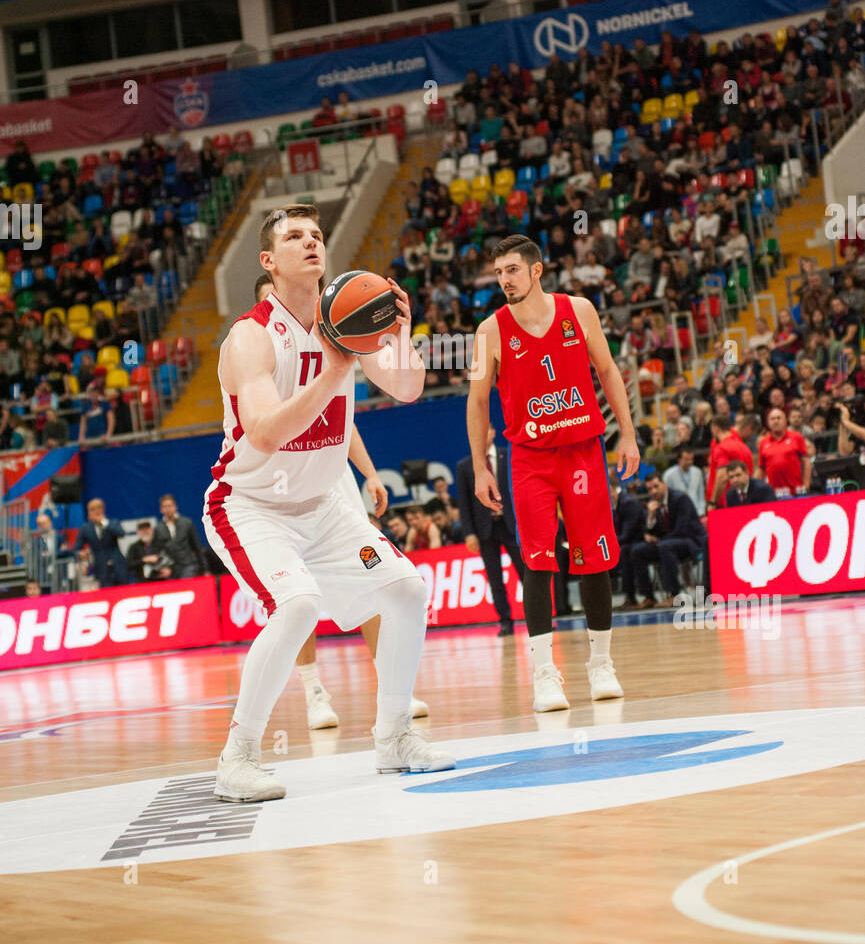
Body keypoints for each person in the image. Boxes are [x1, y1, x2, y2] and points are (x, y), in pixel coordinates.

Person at [202, 204, 452, 803]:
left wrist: (398, 335)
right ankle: (237, 757)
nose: (311, 242)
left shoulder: (345, 319)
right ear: (268, 260)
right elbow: (263, 432)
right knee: (297, 607)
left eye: (317, 235)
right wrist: (332, 371)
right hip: (250, 505)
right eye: (294, 236)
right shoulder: (251, 335)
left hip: (324, 507)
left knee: (407, 590)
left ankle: (393, 740)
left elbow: (409, 386)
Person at [467, 234, 640, 711]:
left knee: (595, 558)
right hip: (529, 459)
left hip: (583, 451)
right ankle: (545, 673)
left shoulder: (580, 310)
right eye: (499, 272)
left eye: (512, 270)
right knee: (538, 562)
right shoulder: (489, 331)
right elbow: (477, 400)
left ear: (536, 270)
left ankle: (600, 663)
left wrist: (626, 434)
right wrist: (481, 466)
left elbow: (607, 371)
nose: (504, 280)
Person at [251, 272, 428, 730]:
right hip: (280, 494)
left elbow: (346, 421)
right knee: (298, 599)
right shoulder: (256, 348)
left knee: (380, 583)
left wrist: (369, 474)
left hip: (333, 489)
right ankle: (312, 689)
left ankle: (390, 693)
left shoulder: (335, 335)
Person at [456, 424, 524, 636]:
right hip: (485, 528)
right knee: (495, 578)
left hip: (510, 523)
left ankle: (539, 618)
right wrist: (469, 532)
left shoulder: (507, 456)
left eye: (485, 430)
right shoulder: (466, 466)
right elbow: (464, 503)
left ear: (493, 433)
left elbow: (520, 489)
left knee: (526, 572)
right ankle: (505, 621)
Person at [630, 474, 705, 609]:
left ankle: (674, 595)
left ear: (664, 484)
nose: (653, 491)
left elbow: (682, 529)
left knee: (665, 546)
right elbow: (650, 532)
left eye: (656, 486)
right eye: (650, 489)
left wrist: (659, 540)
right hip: (668, 545)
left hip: (690, 541)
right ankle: (648, 597)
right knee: (637, 550)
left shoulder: (680, 498)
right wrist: (651, 516)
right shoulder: (654, 504)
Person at [71, 498, 128, 588]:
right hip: (101, 568)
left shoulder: (112, 523)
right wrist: (80, 554)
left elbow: (121, 533)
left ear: (102, 509)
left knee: (124, 591)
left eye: (96, 508)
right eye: (90, 509)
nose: (93, 512)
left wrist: (103, 522)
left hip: (118, 565)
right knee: (106, 594)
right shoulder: (85, 528)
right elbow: (76, 549)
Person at [610, 478, 646, 611]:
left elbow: (628, 533)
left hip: (639, 539)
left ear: (615, 490)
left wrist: (610, 543)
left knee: (624, 552)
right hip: (626, 542)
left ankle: (632, 596)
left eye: (609, 491)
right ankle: (627, 596)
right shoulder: (614, 504)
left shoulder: (628, 503)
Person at [758, 407, 812, 494]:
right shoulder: (763, 442)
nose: (776, 421)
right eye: (772, 419)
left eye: (779, 418)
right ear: (768, 423)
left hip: (796, 491)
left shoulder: (797, 437)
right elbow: (761, 469)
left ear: (785, 420)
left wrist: (806, 485)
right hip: (773, 493)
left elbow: (806, 463)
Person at [153, 494, 205, 578]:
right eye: (165, 506)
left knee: (188, 587)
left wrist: (205, 569)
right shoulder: (158, 528)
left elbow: (197, 547)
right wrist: (163, 567)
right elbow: (157, 551)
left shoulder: (187, 523)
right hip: (170, 568)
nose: (168, 509)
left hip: (187, 565)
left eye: (170, 506)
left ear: (175, 507)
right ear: (161, 509)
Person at [663, 445, 706, 516]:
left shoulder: (697, 472)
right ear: (679, 459)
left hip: (697, 512)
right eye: (686, 459)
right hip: (678, 513)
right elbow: (666, 498)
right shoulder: (669, 475)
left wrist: (702, 511)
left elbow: (701, 495)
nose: (689, 462)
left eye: (691, 459)